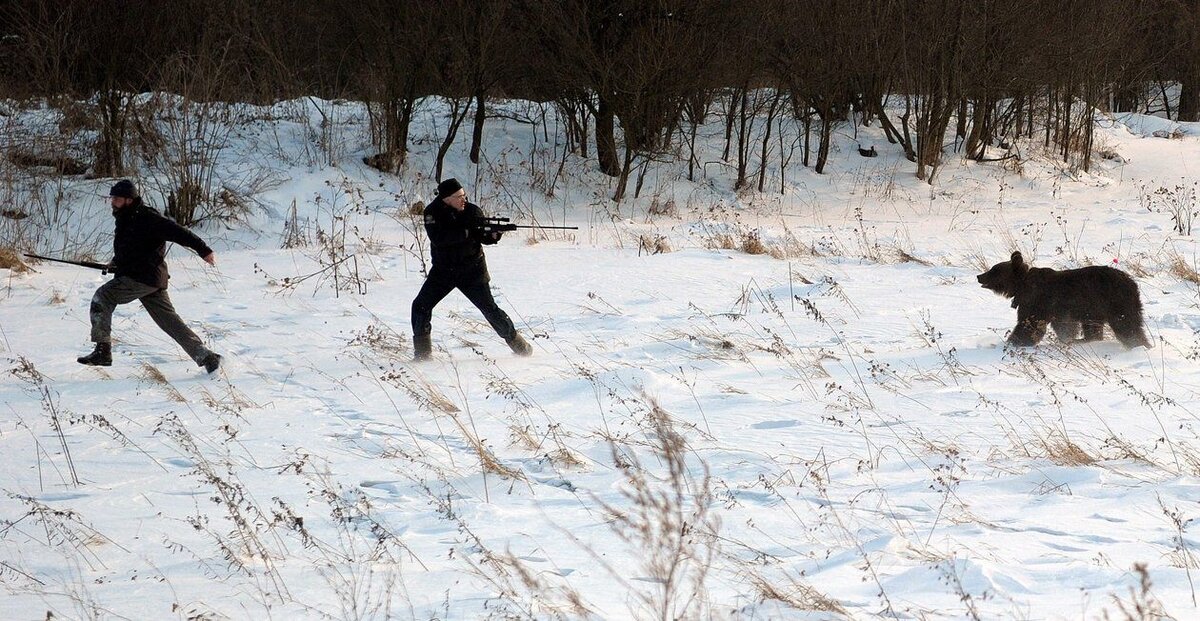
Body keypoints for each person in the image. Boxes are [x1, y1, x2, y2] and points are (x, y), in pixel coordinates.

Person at [76, 180, 222, 373]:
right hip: (148, 279)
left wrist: (204, 250)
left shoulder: (147, 217)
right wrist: (116, 262)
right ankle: (207, 357)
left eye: (117, 199)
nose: (113, 202)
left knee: (102, 297)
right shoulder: (126, 217)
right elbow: (131, 247)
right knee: (170, 322)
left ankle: (103, 351)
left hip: (143, 277)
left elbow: (179, 232)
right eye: (112, 198)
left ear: (129, 200)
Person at [411, 178, 532, 361]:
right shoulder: (432, 212)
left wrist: (493, 235)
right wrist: (467, 232)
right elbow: (439, 239)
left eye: (464, 195)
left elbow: (484, 237)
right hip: (443, 271)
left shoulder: (473, 211)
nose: (463, 199)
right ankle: (423, 355)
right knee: (420, 306)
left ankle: (519, 345)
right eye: (459, 197)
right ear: (447, 198)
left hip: (472, 270)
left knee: (490, 310)